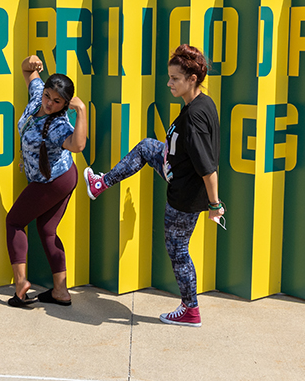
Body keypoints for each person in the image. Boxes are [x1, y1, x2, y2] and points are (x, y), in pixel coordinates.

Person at [83, 45, 223, 327]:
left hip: (184, 195)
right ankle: (101, 184)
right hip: (177, 170)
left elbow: (208, 167)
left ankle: (190, 309)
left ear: (192, 79)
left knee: (178, 251)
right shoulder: (203, 102)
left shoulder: (195, 117)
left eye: (175, 79)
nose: (169, 83)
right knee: (148, 146)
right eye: (169, 77)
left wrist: (215, 205)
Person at [5, 55, 87, 308]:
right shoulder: (38, 95)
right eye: (48, 96)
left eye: (57, 101)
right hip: (57, 177)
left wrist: (81, 110)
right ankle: (60, 292)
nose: (49, 103)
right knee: (47, 230)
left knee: (15, 221)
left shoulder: (58, 125)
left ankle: (21, 285)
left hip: (53, 181)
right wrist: (31, 61)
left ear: (65, 104)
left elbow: (78, 144)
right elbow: (27, 71)